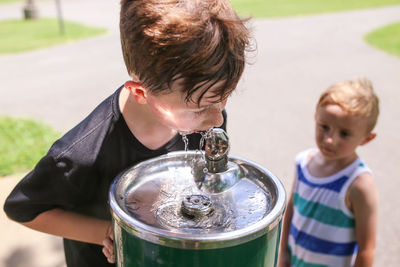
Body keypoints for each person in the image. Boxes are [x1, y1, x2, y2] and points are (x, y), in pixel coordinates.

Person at [3, 0, 251, 266]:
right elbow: (23, 209)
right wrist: (108, 232)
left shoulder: (204, 120)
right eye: (199, 108)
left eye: (224, 97)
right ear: (140, 93)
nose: (216, 118)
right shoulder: (82, 154)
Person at [278, 77, 379, 267]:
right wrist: (283, 254)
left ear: (366, 138)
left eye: (345, 133)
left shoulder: (359, 184)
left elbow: (367, 249)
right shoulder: (303, 163)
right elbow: (292, 210)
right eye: (324, 127)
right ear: (316, 116)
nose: (330, 140)